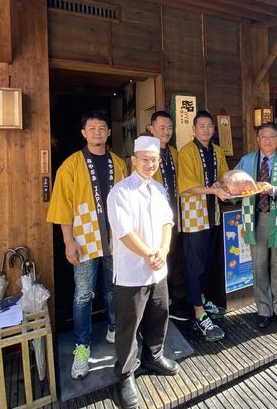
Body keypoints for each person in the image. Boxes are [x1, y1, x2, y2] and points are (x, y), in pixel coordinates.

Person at [46, 111, 127, 379]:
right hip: (84, 239)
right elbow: (62, 208)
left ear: (108, 132)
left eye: (102, 128)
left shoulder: (119, 163)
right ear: (83, 133)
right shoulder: (70, 165)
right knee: (83, 295)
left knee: (114, 288)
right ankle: (82, 347)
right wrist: (68, 242)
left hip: (115, 238)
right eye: (91, 128)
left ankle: (114, 327)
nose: (97, 132)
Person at [107, 136, 180, 409]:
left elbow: (167, 223)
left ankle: (153, 356)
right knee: (128, 326)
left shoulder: (160, 189)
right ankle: (125, 375)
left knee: (159, 315)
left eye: (154, 160)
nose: (150, 164)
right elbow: (124, 232)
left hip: (158, 269)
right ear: (134, 160)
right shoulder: (120, 192)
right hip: (131, 273)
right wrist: (149, 254)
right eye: (145, 159)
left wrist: (163, 250)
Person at [234, 123, 277, 329]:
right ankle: (263, 309)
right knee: (259, 265)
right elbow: (234, 181)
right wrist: (227, 184)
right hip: (256, 218)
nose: (267, 140)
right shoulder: (247, 161)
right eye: (263, 136)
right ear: (258, 139)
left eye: (272, 136)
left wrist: (273, 189)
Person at [178, 110, 231, 341]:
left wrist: (222, 183)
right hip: (193, 217)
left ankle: (203, 300)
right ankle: (199, 313)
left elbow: (225, 175)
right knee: (194, 265)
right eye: (202, 126)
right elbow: (186, 186)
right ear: (193, 129)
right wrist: (214, 189)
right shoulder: (186, 152)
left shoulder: (217, 151)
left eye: (210, 126)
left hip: (213, 214)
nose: (206, 130)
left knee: (207, 262)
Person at [148, 111, 187, 318]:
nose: (166, 131)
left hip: (174, 214)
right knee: (157, 259)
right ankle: (158, 305)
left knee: (172, 257)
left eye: (169, 128)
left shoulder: (174, 152)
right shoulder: (146, 153)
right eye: (162, 127)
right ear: (151, 128)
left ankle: (169, 300)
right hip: (154, 219)